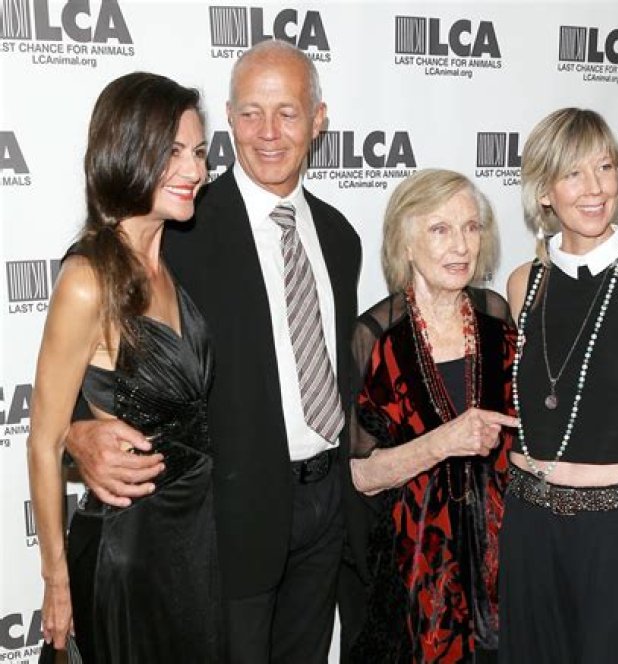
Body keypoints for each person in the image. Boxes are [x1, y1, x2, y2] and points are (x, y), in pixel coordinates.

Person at [64, 40, 362, 663]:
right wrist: (78, 430)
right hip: (225, 521)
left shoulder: (340, 236)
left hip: (328, 508)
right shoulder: (179, 231)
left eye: (287, 112)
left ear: (319, 119)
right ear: (229, 118)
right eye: (250, 113)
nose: (268, 132)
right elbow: (103, 348)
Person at [26, 72, 220, 662]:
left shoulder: (169, 265)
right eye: (172, 152)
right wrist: (55, 583)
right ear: (129, 151)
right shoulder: (89, 279)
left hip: (191, 542)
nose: (193, 170)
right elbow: (42, 441)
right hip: (127, 553)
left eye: (198, 152)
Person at [501, 107, 618, 663]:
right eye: (573, 173)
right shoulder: (523, 284)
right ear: (544, 191)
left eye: (605, 168)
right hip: (530, 525)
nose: (595, 188)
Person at [348, 169, 519, 663]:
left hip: (504, 558)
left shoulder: (495, 316)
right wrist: (444, 441)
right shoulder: (376, 336)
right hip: (416, 569)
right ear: (405, 243)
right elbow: (361, 475)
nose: (461, 245)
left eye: (471, 227)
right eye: (440, 229)